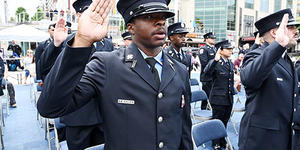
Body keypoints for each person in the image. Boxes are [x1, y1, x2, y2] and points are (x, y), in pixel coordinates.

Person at [37, 0, 193, 149]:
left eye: (163, 18)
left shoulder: (179, 70)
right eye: (150, 17)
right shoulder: (107, 65)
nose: (160, 23)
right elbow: (49, 107)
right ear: (131, 28)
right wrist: (82, 41)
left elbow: (184, 132)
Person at [37, 0, 113, 149]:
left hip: (102, 112)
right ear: (79, 16)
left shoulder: (107, 44)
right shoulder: (67, 41)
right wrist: (56, 44)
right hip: (77, 113)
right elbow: (44, 67)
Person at [238, 9, 300, 150]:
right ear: (274, 33)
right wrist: (277, 45)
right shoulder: (256, 54)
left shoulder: (286, 59)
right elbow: (248, 77)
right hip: (262, 141)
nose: (296, 31)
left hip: (283, 137)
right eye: (290, 27)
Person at [203, 40, 234, 150]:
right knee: (217, 121)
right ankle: (215, 142)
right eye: (228, 49)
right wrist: (215, 61)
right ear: (220, 50)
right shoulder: (215, 62)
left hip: (228, 98)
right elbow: (206, 74)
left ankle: (222, 139)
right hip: (218, 98)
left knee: (225, 121)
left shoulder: (230, 63)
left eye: (231, 49)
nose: (231, 51)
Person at [198, 32, 216, 110]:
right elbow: (204, 63)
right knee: (206, 95)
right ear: (206, 39)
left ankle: (209, 109)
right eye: (212, 38)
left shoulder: (214, 49)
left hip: (213, 76)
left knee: (212, 95)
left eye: (214, 38)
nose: (213, 39)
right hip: (206, 76)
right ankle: (203, 110)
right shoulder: (203, 49)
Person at [35, 23, 55, 90]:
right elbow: (38, 62)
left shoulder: (64, 44)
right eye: (53, 30)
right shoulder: (42, 45)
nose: (54, 32)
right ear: (49, 31)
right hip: (46, 75)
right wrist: (39, 78)